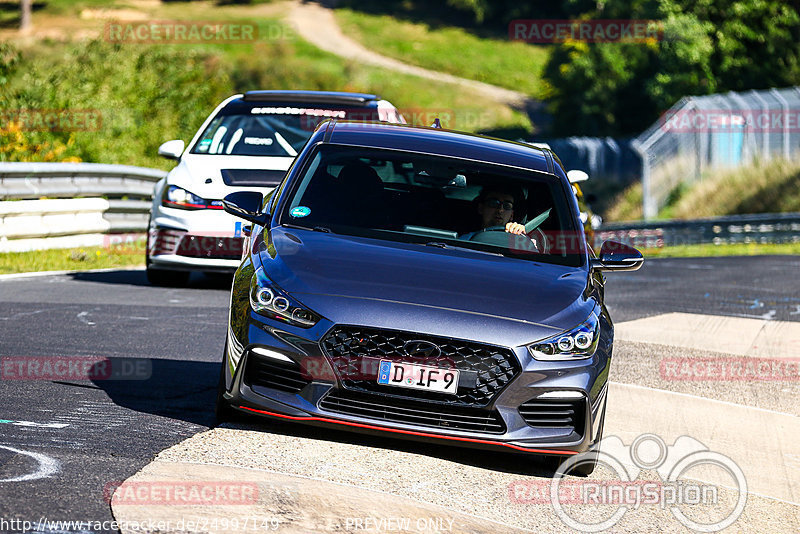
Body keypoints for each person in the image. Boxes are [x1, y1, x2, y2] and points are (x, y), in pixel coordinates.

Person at [460, 185, 526, 239]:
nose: (500, 210)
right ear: (481, 208)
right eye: (493, 203)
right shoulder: (468, 239)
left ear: (512, 215)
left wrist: (521, 234)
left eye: (507, 206)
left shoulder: (517, 240)